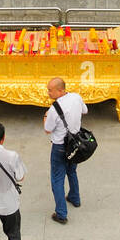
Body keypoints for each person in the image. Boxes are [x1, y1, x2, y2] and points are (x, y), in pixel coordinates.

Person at [44, 77, 88, 224]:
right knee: (71, 171)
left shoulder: (54, 109)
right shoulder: (76, 97)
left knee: (57, 179)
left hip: (59, 147)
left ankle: (61, 213)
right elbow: (85, 110)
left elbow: (48, 129)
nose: (48, 92)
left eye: (50, 90)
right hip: (74, 143)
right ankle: (75, 198)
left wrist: (45, 117)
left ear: (60, 90)